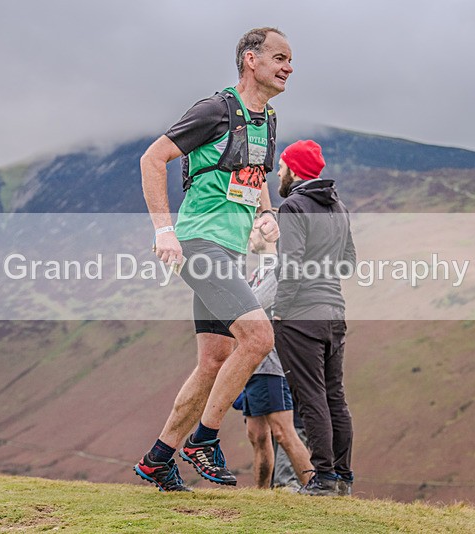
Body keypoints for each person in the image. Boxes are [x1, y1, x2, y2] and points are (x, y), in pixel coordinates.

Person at [134, 27, 293, 491]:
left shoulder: (268, 119)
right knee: (259, 337)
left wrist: (265, 213)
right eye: (279, 57)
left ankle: (158, 457)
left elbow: (256, 172)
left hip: (230, 249)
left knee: (214, 361)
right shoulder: (215, 110)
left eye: (291, 61)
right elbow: (152, 158)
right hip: (197, 244)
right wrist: (165, 230)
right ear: (250, 60)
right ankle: (203, 439)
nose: (288, 68)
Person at [272, 140, 356, 497]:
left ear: (294, 170)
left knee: (311, 398)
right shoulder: (338, 207)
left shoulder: (292, 207)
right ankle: (342, 477)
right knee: (334, 397)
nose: (278, 172)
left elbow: (290, 266)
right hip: (334, 313)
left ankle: (322, 479)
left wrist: (280, 311)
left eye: (282, 166)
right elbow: (349, 262)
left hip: (300, 317)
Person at [240, 218, 313, 489]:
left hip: (270, 364)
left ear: (269, 233)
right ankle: (261, 497)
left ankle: (315, 487)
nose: (250, 235)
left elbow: (253, 306)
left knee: (283, 432)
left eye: (255, 229)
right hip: (252, 367)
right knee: (257, 435)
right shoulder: (257, 272)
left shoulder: (275, 269)